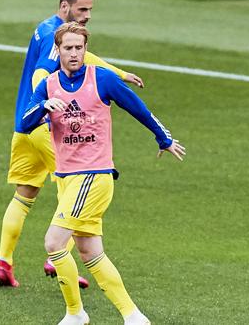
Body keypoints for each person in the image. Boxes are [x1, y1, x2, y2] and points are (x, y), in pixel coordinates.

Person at [17, 22, 185, 325]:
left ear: (85, 49)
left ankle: (75, 313)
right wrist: (43, 106)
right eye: (68, 48)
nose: (74, 54)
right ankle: (133, 316)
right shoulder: (48, 85)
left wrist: (164, 138)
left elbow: (139, 109)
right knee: (90, 252)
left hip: (94, 176)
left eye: (79, 48)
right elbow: (25, 123)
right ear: (59, 50)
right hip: (67, 179)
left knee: (54, 243)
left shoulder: (101, 79)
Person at [0, 0, 145, 289]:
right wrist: (47, 103)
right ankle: (57, 259)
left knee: (24, 195)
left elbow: (82, 56)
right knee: (74, 191)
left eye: (89, 9)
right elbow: (43, 72)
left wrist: (119, 74)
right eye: (82, 9)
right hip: (47, 125)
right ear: (65, 7)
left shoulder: (46, 28)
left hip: (23, 127)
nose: (87, 15)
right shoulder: (55, 36)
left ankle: (4, 263)